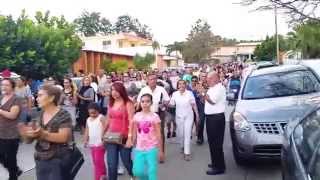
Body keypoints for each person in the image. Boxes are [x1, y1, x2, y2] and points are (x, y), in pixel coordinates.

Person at [23, 85, 74, 180]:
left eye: (40, 95)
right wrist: (27, 134)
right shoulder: (39, 114)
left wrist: (42, 134)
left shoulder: (63, 115)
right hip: (41, 159)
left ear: (51, 98)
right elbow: (29, 140)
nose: (37, 99)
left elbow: (64, 137)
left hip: (58, 160)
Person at [104, 82, 134, 180]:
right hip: (112, 137)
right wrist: (103, 134)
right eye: (112, 90)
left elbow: (131, 121)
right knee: (112, 164)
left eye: (116, 90)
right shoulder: (111, 103)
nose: (114, 93)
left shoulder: (128, 103)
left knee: (126, 161)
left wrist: (130, 138)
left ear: (121, 91)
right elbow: (108, 119)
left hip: (124, 137)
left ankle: (134, 175)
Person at [137, 73, 170, 162]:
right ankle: (146, 153)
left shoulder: (161, 89)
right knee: (146, 134)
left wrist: (163, 104)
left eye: (154, 79)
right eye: (151, 79)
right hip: (146, 114)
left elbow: (167, 101)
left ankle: (161, 153)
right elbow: (138, 102)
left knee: (160, 133)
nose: (153, 81)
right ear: (147, 80)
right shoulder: (144, 90)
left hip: (158, 113)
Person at [132, 94, 163, 180]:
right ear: (140, 103)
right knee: (137, 171)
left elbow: (159, 134)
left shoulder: (155, 117)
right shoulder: (136, 116)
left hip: (152, 148)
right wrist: (132, 143)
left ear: (151, 103)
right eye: (143, 101)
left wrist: (161, 150)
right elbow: (134, 132)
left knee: (152, 171)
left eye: (147, 101)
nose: (145, 104)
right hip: (139, 148)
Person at [202, 71, 227, 175]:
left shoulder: (220, 88)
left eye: (209, 78)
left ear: (216, 78)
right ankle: (215, 162)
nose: (207, 80)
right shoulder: (212, 88)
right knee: (212, 142)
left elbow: (212, 101)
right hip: (210, 117)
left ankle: (219, 167)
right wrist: (203, 95)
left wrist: (203, 93)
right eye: (207, 79)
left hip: (216, 118)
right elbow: (206, 101)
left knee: (216, 143)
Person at [169, 80, 199, 161]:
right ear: (178, 85)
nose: (181, 85)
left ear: (185, 85)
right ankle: (182, 146)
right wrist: (166, 103)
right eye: (180, 84)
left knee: (187, 133)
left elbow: (193, 104)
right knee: (181, 134)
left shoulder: (189, 93)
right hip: (179, 117)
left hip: (189, 116)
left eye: (183, 84)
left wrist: (197, 115)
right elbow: (172, 104)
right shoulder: (175, 94)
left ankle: (187, 153)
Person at [0, 78, 22, 180]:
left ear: (12, 87)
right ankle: (15, 169)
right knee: (2, 157)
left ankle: (13, 176)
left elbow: (12, 115)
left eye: (6, 85)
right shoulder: (1, 97)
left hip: (11, 134)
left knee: (11, 158)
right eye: (2, 85)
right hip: (1, 132)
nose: (3, 87)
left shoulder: (16, 99)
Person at [83, 103, 107, 180]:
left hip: (100, 143)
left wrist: (104, 140)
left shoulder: (101, 117)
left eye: (94, 113)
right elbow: (87, 130)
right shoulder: (88, 119)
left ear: (98, 111)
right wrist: (85, 140)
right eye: (90, 113)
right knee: (95, 161)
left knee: (98, 161)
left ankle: (97, 177)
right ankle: (103, 174)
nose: (92, 115)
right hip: (92, 143)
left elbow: (106, 128)